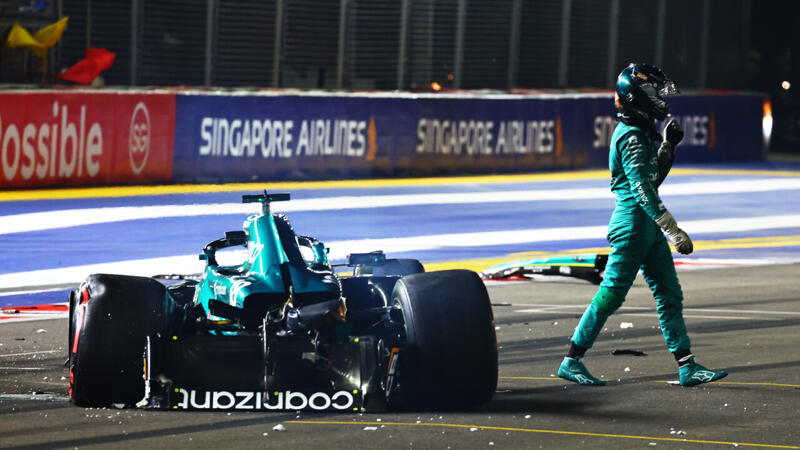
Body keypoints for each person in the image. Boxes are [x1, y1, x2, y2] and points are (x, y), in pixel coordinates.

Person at [557, 63, 728, 387]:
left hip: (644, 226)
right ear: (637, 97)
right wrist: (673, 230)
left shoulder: (639, 130)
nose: (661, 100)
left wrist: (668, 147)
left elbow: (652, 179)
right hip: (634, 226)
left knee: (669, 294)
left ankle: (687, 366)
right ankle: (571, 359)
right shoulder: (632, 136)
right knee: (612, 294)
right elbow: (642, 189)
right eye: (653, 93)